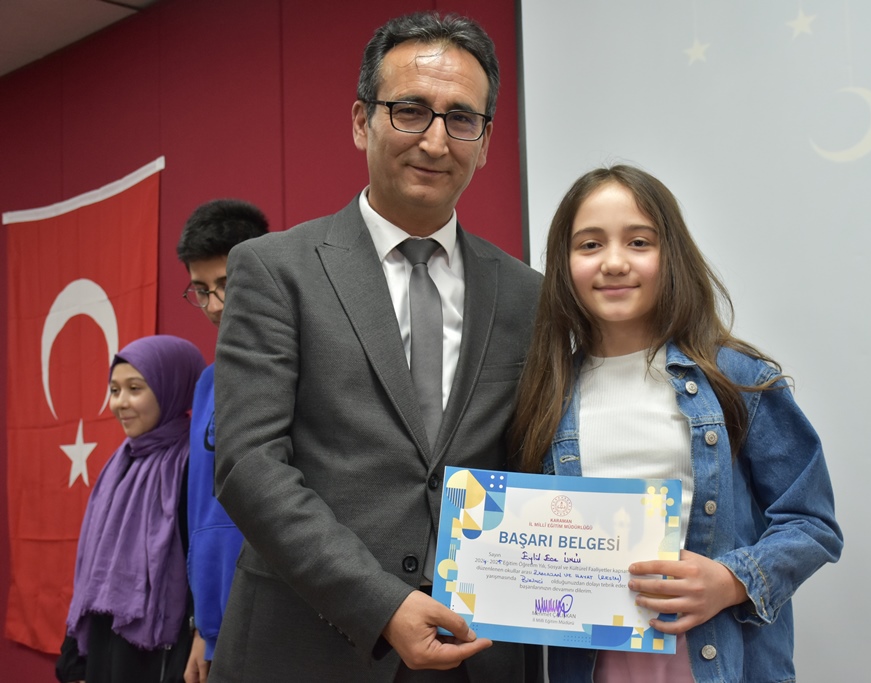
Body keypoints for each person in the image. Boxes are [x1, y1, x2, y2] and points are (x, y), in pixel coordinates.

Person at [209, 11, 542, 683]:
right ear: (362, 121)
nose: (435, 140)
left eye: (461, 119)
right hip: (308, 646)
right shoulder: (275, 269)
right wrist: (379, 602)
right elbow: (249, 463)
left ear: (484, 142)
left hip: (474, 652)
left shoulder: (527, 294)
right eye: (410, 111)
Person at [511, 165, 843, 682]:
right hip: (593, 664)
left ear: (671, 257)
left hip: (714, 658)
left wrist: (731, 581)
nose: (614, 262)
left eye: (638, 242)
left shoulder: (736, 379)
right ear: (563, 264)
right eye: (590, 245)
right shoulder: (546, 392)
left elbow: (812, 522)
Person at [56, 335, 207, 683]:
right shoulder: (119, 464)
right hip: (105, 650)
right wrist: (76, 661)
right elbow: (92, 571)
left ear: (172, 386)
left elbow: (204, 563)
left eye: (135, 388)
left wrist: (204, 634)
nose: (119, 403)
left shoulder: (193, 464)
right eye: (114, 390)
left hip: (163, 655)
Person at [176, 199, 269, 683]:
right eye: (201, 290)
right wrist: (203, 625)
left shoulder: (305, 367)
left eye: (226, 285)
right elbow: (202, 509)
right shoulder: (208, 383)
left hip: (287, 617)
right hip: (217, 622)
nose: (213, 305)